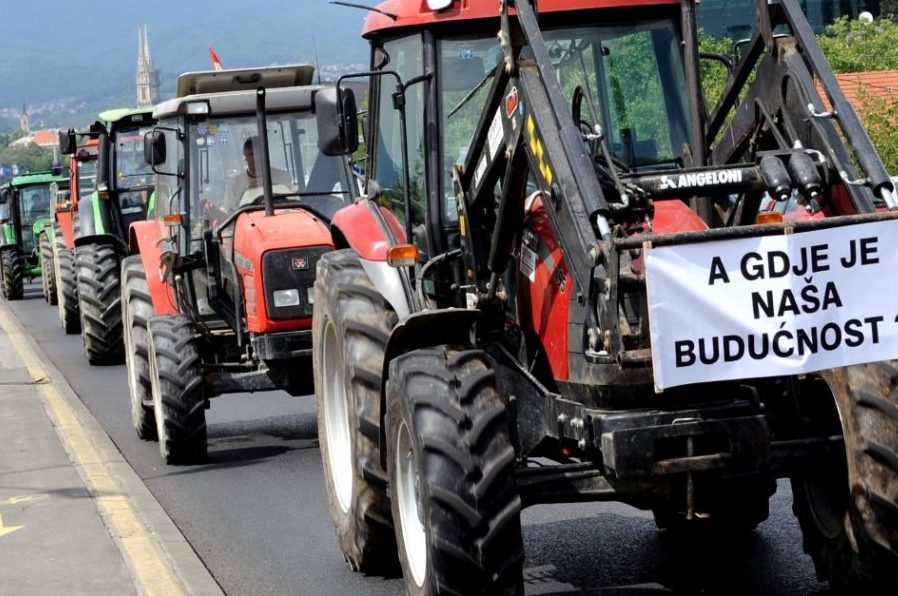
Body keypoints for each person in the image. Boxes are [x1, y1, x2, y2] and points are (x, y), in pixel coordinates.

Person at [221, 136, 292, 213]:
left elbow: (291, 206)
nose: (256, 158)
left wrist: (269, 187)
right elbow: (226, 211)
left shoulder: (282, 177)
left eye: (259, 153)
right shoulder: (235, 183)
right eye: (251, 154)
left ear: (265, 153)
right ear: (244, 156)